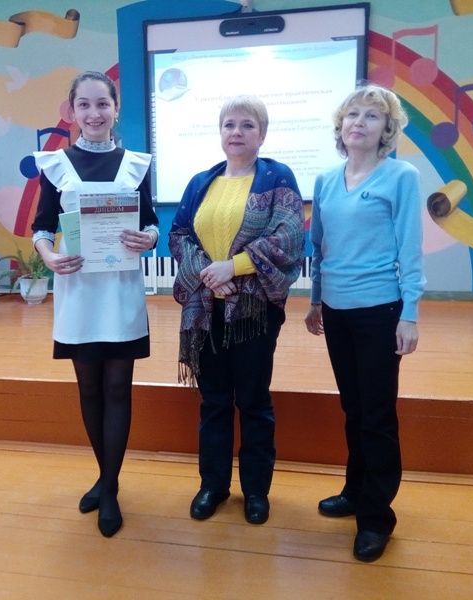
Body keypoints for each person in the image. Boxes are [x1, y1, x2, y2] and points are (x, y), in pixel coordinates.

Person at [31, 71, 159, 538]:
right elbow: (43, 226)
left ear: (115, 109)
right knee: (88, 388)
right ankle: (107, 482)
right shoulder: (56, 165)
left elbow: (150, 223)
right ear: (72, 111)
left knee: (118, 387)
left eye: (102, 103)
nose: (93, 113)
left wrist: (149, 238)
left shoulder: (135, 165)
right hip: (78, 289)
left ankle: (109, 488)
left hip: (120, 290)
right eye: (83, 104)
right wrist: (48, 256)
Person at [169, 95, 304, 526]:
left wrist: (235, 267)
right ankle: (213, 486)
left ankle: (256, 491)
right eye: (229, 124)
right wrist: (209, 274)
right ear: (220, 132)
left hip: (253, 311)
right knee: (213, 401)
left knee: (253, 400)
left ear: (262, 134)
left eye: (247, 125)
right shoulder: (200, 182)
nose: (237, 132)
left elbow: (288, 236)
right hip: (205, 310)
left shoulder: (277, 178)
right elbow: (179, 236)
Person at [304, 84, 425, 562]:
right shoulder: (326, 180)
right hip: (335, 310)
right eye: (352, 115)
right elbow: (320, 246)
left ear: (387, 129)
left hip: (380, 311)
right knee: (353, 408)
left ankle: (376, 518)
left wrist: (410, 314)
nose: (359, 122)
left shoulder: (401, 176)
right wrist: (315, 301)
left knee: (376, 415)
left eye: (372, 116)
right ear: (340, 127)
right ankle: (355, 492)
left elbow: (410, 249)